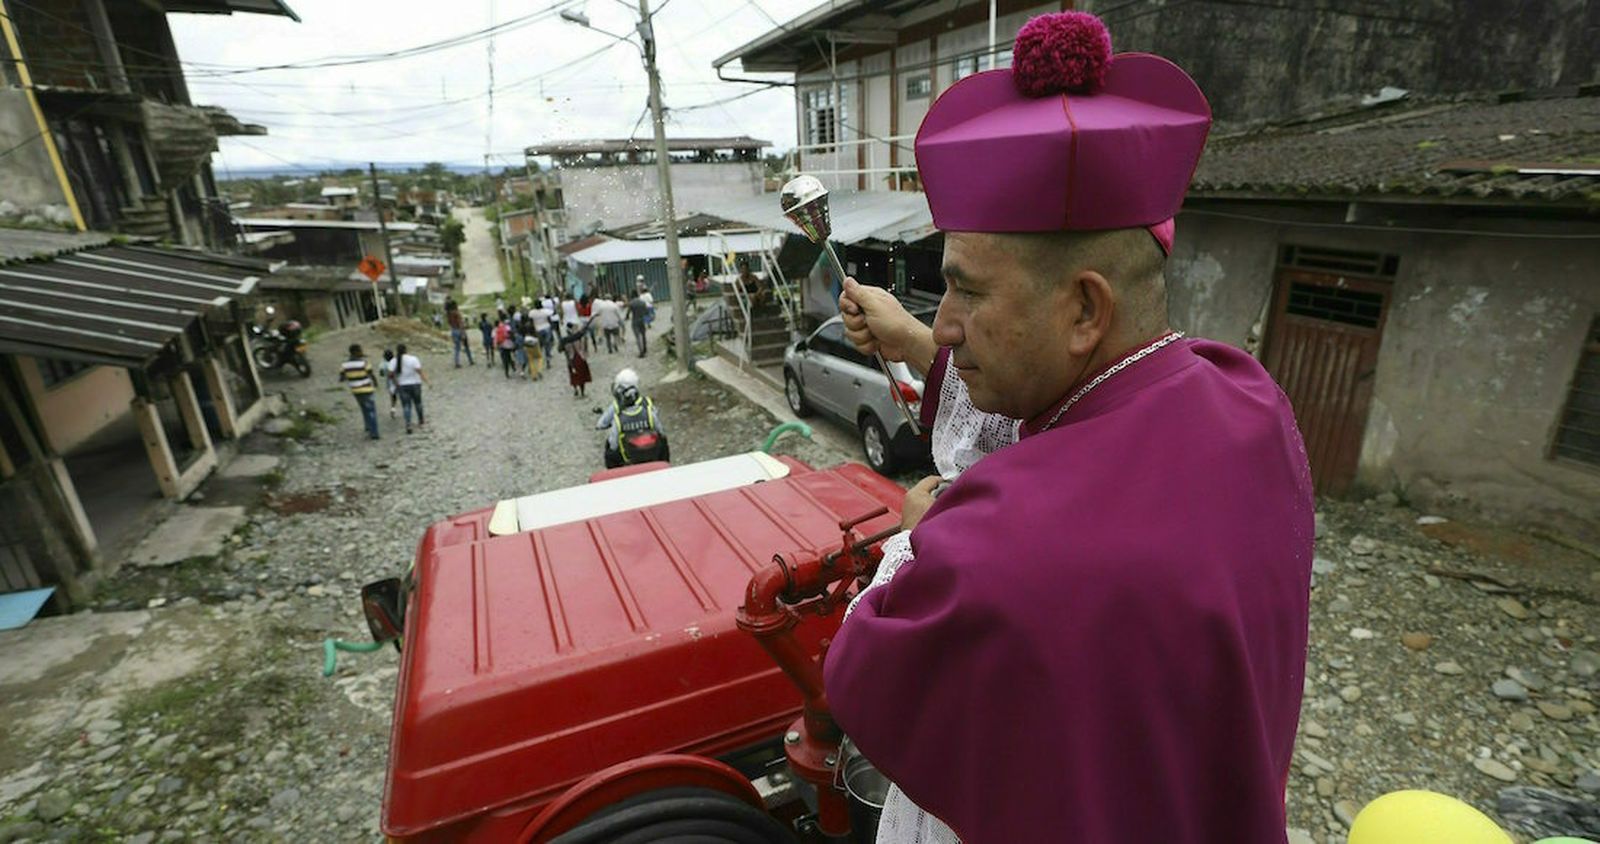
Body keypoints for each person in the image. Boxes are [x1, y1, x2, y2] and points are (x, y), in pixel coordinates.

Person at [821, 13, 1312, 844]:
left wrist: (917, 536)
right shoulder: (1248, 402)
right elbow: (1058, 409)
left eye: (967, 292)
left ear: (1086, 307)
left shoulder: (1002, 557)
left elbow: (863, 675)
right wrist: (908, 340)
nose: (944, 327)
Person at [596, 367, 668, 468]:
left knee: (610, 451)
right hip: (651, 452)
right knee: (663, 441)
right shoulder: (648, 405)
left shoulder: (617, 414)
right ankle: (666, 467)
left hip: (629, 457)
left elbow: (612, 443)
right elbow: (661, 431)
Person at [338, 343, 380, 440]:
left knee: (364, 408)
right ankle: (374, 433)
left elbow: (341, 378)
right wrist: (376, 383)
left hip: (356, 390)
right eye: (360, 350)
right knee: (371, 410)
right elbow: (371, 374)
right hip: (367, 389)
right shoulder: (364, 363)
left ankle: (368, 426)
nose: (362, 352)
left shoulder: (344, 365)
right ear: (356, 352)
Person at [387, 343, 428, 434]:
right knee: (418, 403)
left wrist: (395, 382)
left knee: (406, 406)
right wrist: (427, 381)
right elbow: (419, 371)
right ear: (406, 350)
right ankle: (421, 421)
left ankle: (408, 424)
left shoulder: (393, 361)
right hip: (415, 383)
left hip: (402, 385)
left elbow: (390, 374)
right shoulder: (413, 359)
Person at [559, 319, 592, 397]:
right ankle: (582, 392)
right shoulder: (579, 336)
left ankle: (575, 389)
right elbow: (584, 344)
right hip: (580, 357)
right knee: (582, 375)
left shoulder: (564, 340)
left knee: (573, 375)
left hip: (570, 359)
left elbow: (560, 350)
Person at [446, 299, 473, 368]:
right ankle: (470, 360)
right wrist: (463, 332)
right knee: (466, 346)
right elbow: (460, 323)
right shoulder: (457, 313)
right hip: (459, 330)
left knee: (457, 348)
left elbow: (449, 323)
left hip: (453, 330)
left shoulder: (448, 314)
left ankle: (457, 362)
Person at [626, 288, 650, 357]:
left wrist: (627, 317)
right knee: (643, 335)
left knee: (638, 337)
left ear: (632, 295)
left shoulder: (631, 303)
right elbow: (646, 312)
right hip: (642, 320)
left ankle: (641, 351)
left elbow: (628, 313)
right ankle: (645, 348)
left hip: (635, 321)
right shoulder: (642, 302)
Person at [381, 348, 399, 418]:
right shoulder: (396, 361)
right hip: (399, 380)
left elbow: (381, 373)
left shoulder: (383, 364)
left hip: (390, 382)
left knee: (393, 396)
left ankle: (393, 408)